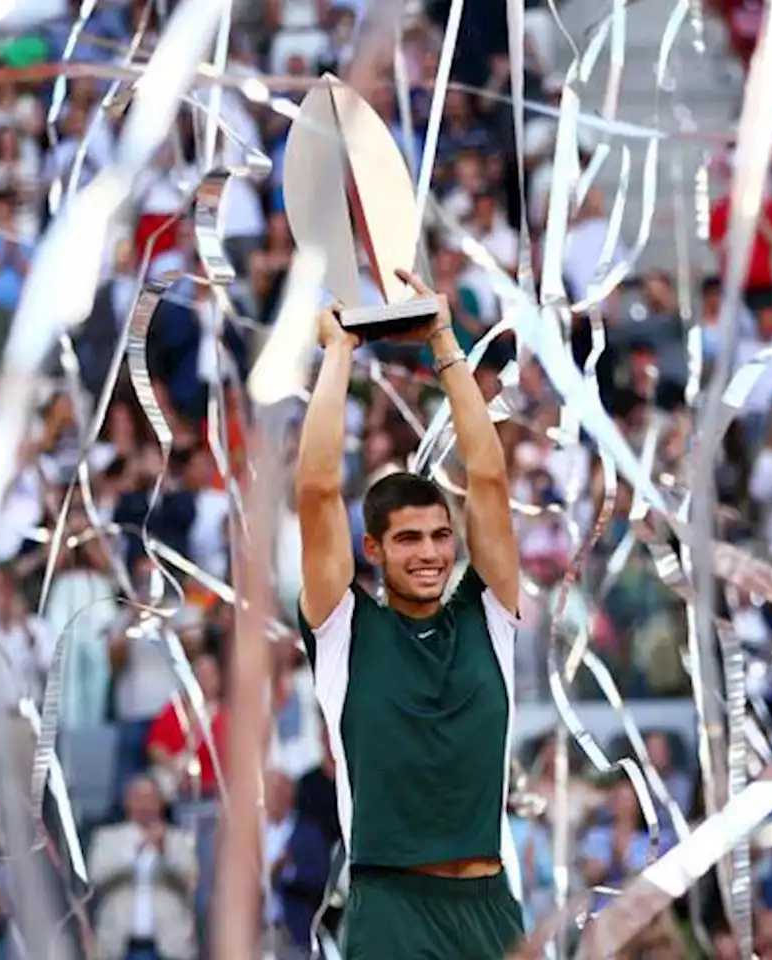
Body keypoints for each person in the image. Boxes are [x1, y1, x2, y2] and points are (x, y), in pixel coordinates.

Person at [295, 269, 524, 959]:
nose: (429, 553)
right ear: (375, 548)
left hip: (490, 908)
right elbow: (315, 488)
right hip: (391, 911)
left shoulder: (488, 614)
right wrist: (338, 353)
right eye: (408, 539)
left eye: (439, 536)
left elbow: (488, 477)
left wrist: (445, 342)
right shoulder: (345, 628)